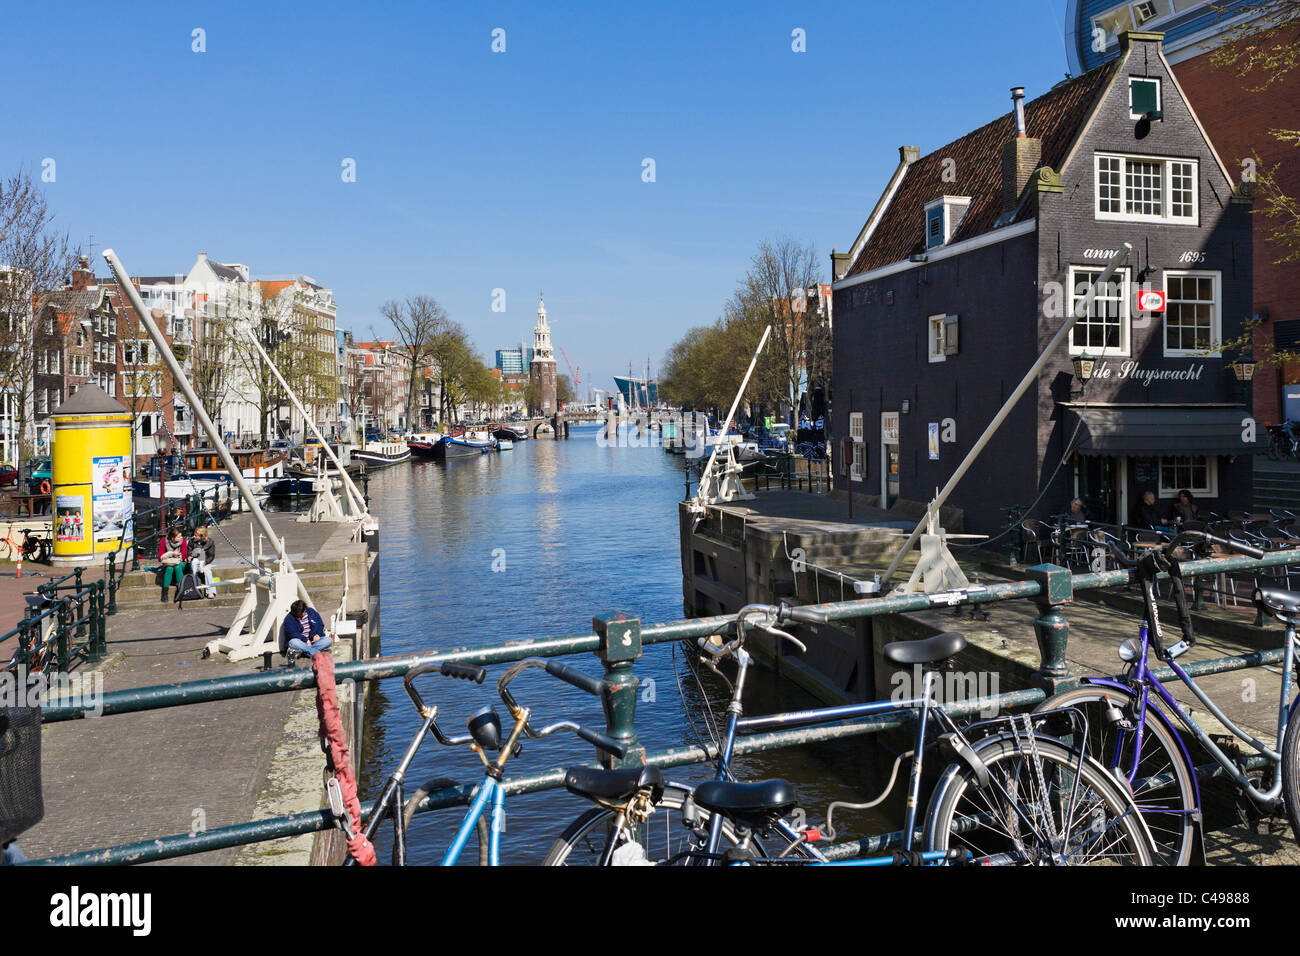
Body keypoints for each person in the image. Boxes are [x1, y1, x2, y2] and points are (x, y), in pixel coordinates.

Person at [158, 526, 187, 602]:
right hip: (169, 563)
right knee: (169, 568)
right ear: (172, 538)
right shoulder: (164, 541)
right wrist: (170, 553)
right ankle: (165, 592)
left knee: (177, 567)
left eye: (181, 536)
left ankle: (181, 590)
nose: (181, 538)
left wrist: (176, 555)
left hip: (180, 562)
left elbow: (184, 555)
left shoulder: (183, 541)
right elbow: (159, 557)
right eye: (178, 537)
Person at [189, 525, 217, 598]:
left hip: (206, 561)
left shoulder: (210, 542)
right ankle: (195, 588)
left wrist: (205, 563)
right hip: (196, 561)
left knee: (207, 570)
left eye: (196, 535)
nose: (194, 536)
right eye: (194, 535)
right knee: (194, 562)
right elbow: (188, 551)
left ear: (202, 536)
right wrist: (189, 556)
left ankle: (211, 591)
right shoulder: (192, 541)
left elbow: (211, 556)